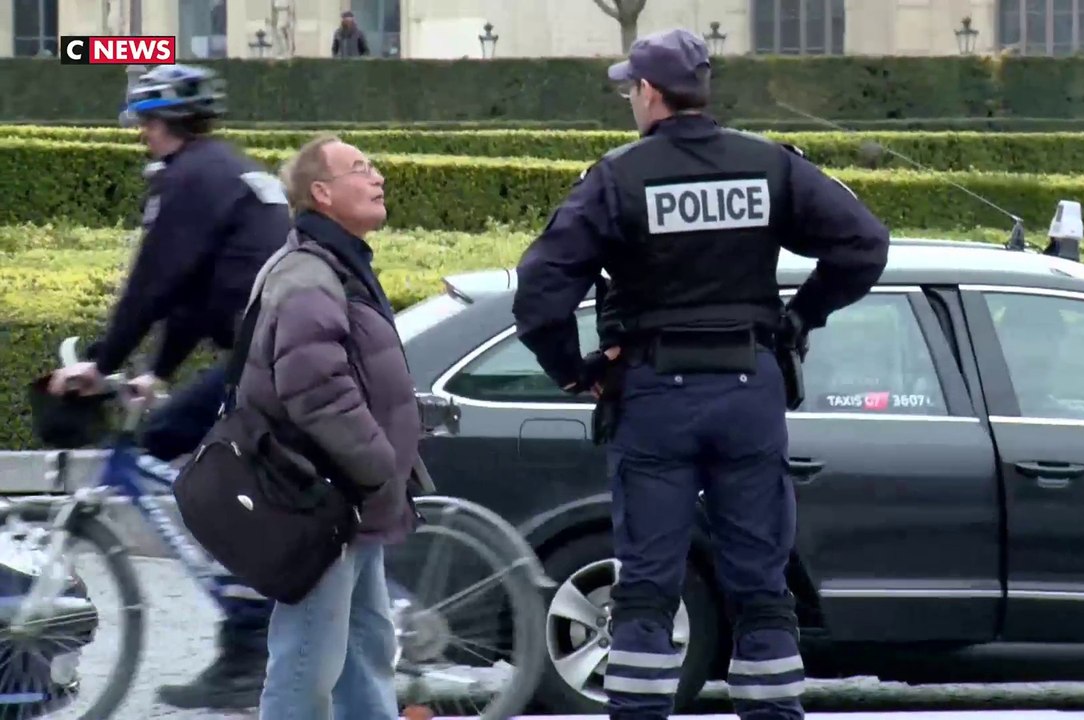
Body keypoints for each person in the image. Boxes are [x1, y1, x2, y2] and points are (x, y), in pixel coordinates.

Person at [511, 27, 891, 720]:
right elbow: (864, 245)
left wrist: (577, 371)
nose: (632, 99)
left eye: (631, 88)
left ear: (650, 94)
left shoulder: (617, 178)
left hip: (654, 396)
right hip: (749, 389)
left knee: (649, 582)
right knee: (760, 577)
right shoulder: (770, 166)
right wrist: (799, 318)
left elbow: (539, 293)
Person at [45, 63, 292, 710]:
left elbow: (153, 280)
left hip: (266, 356)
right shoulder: (228, 167)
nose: (142, 137)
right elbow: (196, 290)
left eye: (145, 125)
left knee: (191, 463)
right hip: (275, 347)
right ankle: (250, 632)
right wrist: (156, 370)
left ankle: (247, 642)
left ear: (161, 123)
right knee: (185, 446)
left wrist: (100, 363)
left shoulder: (185, 179)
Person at [244, 134, 421, 720]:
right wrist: (378, 467)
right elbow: (316, 392)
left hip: (351, 499)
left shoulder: (336, 265)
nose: (378, 178)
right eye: (360, 168)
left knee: (365, 654)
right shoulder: (309, 275)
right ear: (321, 192)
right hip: (323, 496)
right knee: (307, 665)